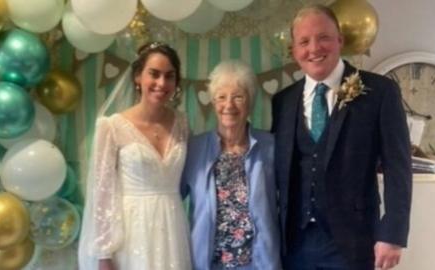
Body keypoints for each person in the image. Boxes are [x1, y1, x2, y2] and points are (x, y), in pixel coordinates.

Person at [271, 5, 412, 270]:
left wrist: (393, 233)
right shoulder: (283, 101)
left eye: (323, 37)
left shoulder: (380, 92)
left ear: (340, 40)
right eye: (304, 41)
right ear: (294, 50)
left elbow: (398, 167)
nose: (314, 48)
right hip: (295, 245)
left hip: (355, 241)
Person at [78, 42, 192, 270]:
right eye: (154, 74)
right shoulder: (111, 127)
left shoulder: (182, 123)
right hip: (132, 233)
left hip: (172, 227)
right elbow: (102, 193)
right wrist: (104, 254)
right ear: (138, 77)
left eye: (169, 76)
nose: (162, 83)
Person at [181, 60, 282, 270]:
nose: (229, 105)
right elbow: (170, 197)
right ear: (212, 102)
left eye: (238, 97)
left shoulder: (271, 146)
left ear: (250, 102)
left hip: (259, 262)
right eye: (221, 97)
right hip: (207, 263)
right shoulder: (194, 149)